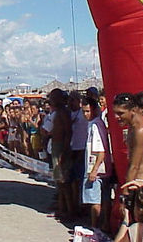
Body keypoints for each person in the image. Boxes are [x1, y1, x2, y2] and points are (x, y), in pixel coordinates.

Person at [82, 96, 112, 231]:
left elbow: (101, 151)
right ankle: (104, 225)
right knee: (104, 199)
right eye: (83, 111)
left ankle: (96, 226)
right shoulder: (95, 124)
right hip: (103, 169)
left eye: (88, 111)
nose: (85, 114)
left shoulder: (95, 125)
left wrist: (94, 170)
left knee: (95, 201)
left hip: (97, 169)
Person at [113, 93, 143, 184]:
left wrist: (126, 189)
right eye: (115, 113)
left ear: (133, 110)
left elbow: (134, 165)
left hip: (139, 182)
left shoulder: (140, 130)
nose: (116, 117)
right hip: (135, 180)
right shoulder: (132, 126)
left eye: (120, 113)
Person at [49, 88, 72, 220]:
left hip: (61, 147)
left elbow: (68, 132)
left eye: (52, 97)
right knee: (59, 181)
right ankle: (61, 207)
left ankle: (68, 210)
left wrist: (64, 150)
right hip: (56, 146)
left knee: (64, 182)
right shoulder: (58, 112)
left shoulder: (63, 112)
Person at [69, 91, 88, 218]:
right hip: (72, 149)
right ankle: (74, 205)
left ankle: (83, 206)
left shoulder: (83, 113)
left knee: (81, 180)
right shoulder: (69, 113)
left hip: (82, 149)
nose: (70, 102)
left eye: (72, 100)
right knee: (73, 181)